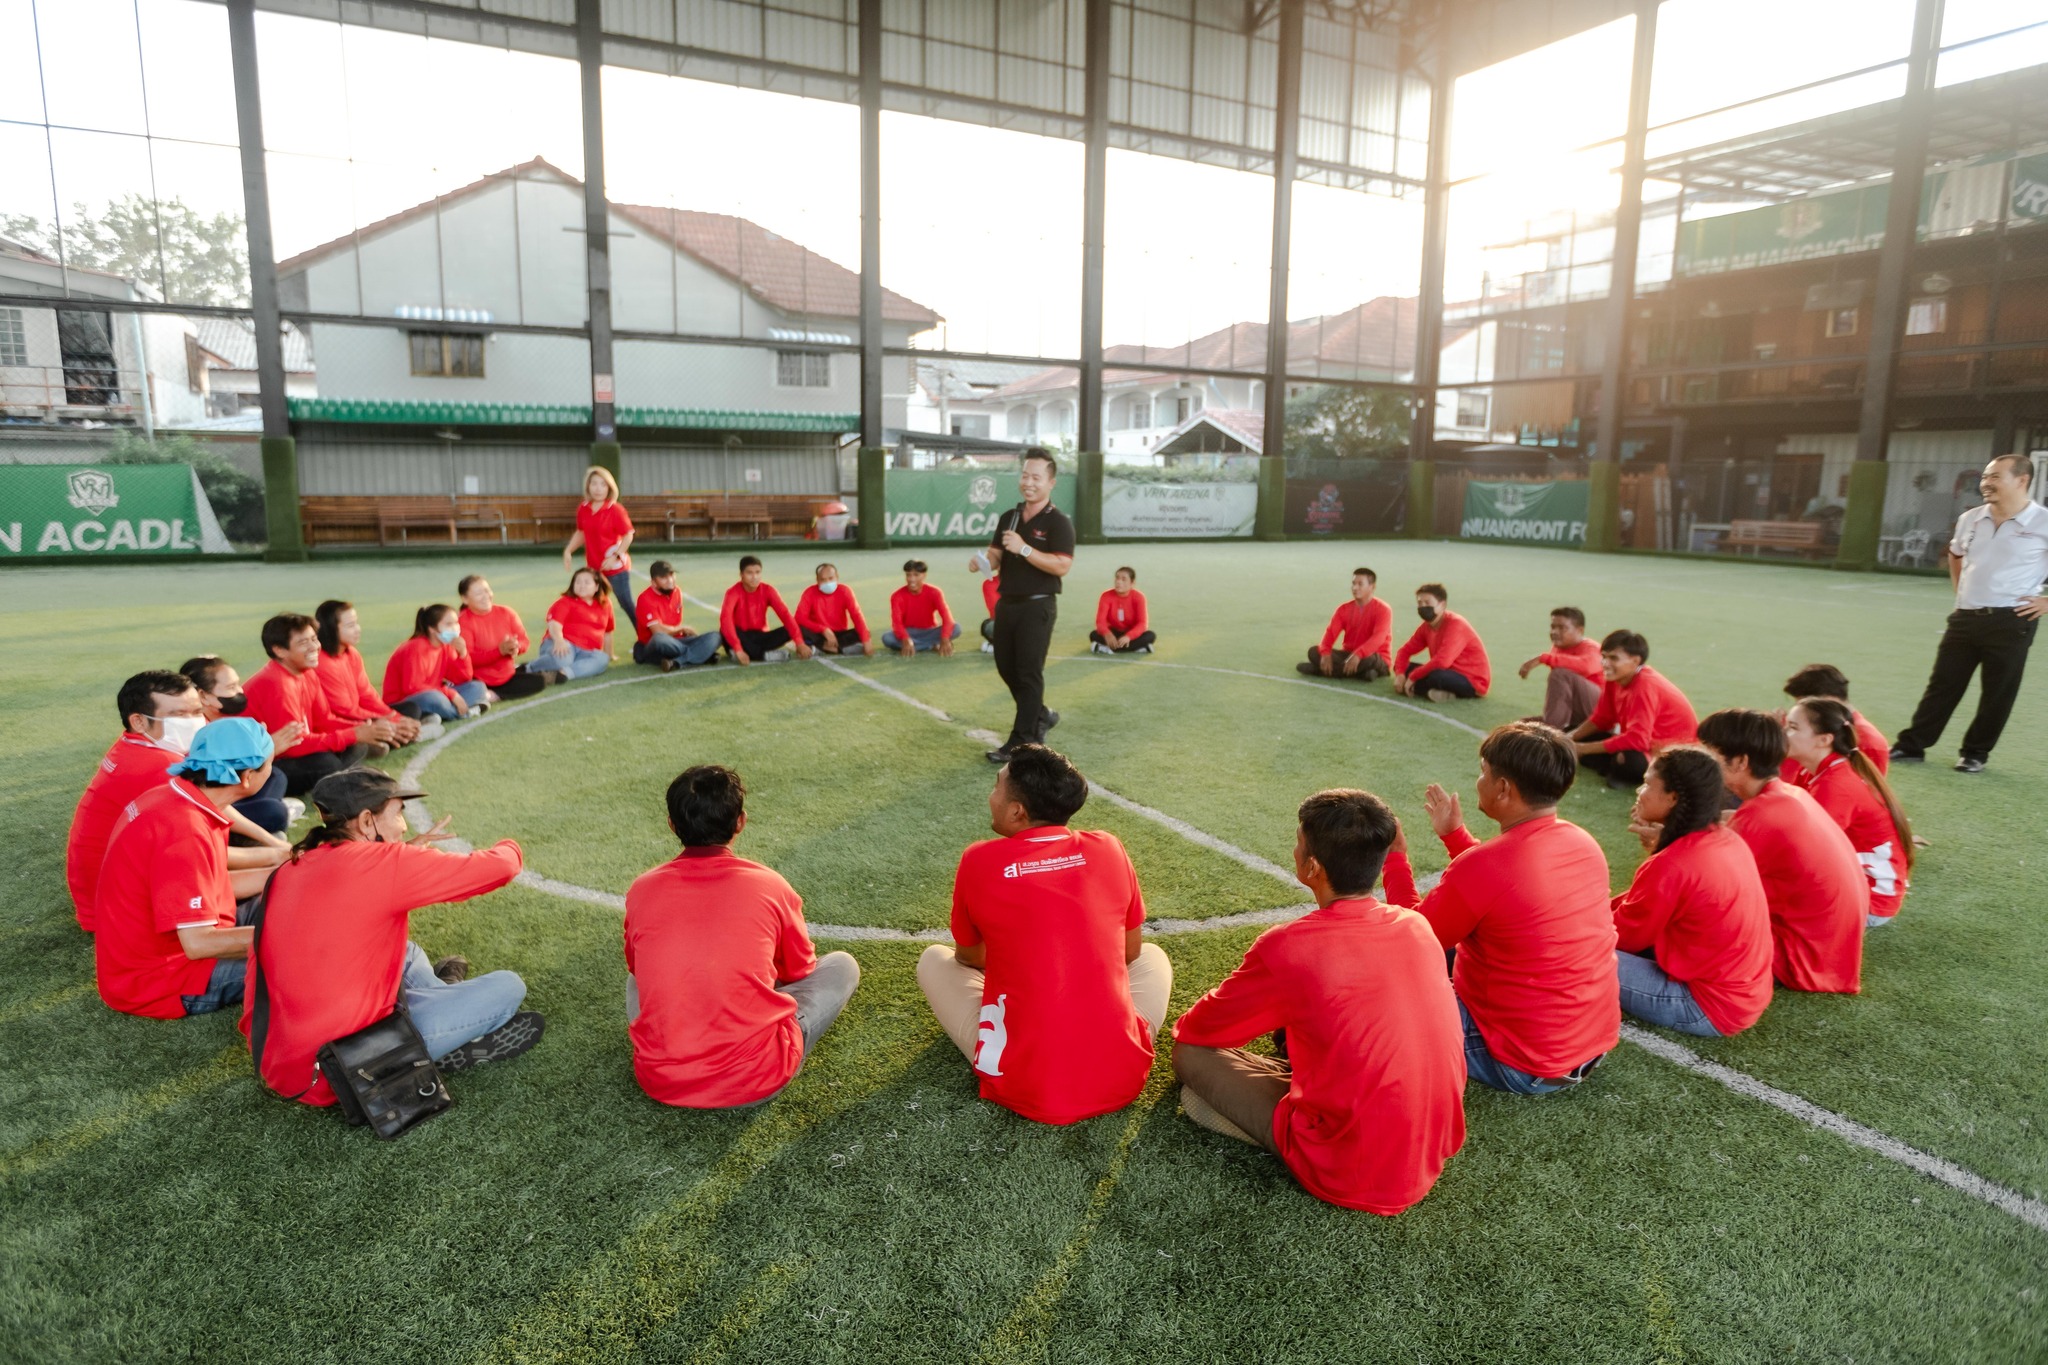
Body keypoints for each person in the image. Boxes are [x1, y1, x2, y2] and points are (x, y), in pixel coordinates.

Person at [1171, 788, 1466, 1215]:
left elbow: (1198, 1031)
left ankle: (1294, 1126)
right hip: (1431, 1148)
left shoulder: (1290, 946)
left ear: (1311, 866)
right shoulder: (1417, 926)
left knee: (1192, 1066)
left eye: (1298, 842)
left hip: (1349, 1171)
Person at [243, 767, 542, 1101]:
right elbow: (502, 867)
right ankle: (437, 1038)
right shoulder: (384, 863)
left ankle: (442, 999)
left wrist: (403, 855)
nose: (403, 825)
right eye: (398, 813)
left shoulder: (290, 868)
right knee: (508, 986)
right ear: (367, 822)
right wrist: (510, 844)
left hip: (279, 1063)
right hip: (346, 1067)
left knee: (408, 952)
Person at [917, 744, 1173, 1124]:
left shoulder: (979, 859)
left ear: (1017, 811)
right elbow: (1129, 953)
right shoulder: (1109, 847)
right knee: (1153, 956)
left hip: (1022, 1081)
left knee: (933, 960)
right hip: (1120, 1076)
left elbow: (969, 959)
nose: (991, 796)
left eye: (996, 786)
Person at [1390, 722, 1618, 1095]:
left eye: (1484, 772)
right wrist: (1455, 836)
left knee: (1372, 984)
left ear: (1503, 788)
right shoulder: (1582, 842)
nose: (1479, 780)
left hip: (1520, 1063)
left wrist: (1395, 859)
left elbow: (1410, 939)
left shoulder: (1486, 866)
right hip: (1587, 1046)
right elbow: (1506, 889)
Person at [624, 765, 861, 1108]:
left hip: (661, 1081)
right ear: (740, 822)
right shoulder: (770, 884)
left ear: (672, 824)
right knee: (842, 965)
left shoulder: (641, 889)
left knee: (635, 979)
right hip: (757, 1078)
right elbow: (799, 971)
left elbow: (636, 968)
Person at [67, 671, 288, 933]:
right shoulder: (163, 771)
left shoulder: (139, 748)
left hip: (122, 889)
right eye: (180, 715)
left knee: (270, 807)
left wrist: (275, 851)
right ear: (138, 721)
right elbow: (199, 938)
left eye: (196, 711)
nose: (194, 721)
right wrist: (276, 853)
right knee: (272, 822)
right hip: (127, 907)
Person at [93, 719, 279, 1018]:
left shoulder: (176, 796)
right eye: (270, 763)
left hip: (167, 952)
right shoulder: (184, 830)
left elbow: (213, 886)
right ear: (246, 777)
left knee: (289, 895)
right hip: (163, 978)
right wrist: (288, 936)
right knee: (302, 953)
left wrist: (285, 870)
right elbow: (198, 944)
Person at [1891, 453, 2047, 773]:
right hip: (1964, 617)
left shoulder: (2043, 522)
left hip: (2012, 620)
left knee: (1998, 692)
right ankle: (1912, 746)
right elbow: (1955, 554)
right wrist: (1961, 591)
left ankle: (1975, 753)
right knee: (1942, 685)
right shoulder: (1970, 518)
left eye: (1995, 477)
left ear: (2021, 480)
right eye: (1985, 477)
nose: (1985, 483)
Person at [1695, 709, 1865, 994]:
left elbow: (1696, 888)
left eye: (1706, 753)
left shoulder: (1761, 815)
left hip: (1800, 961)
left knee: (1683, 927)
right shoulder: (1784, 794)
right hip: (1828, 955)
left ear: (1740, 762)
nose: (1700, 762)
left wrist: (1663, 842)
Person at [1610, 746, 1773, 1037]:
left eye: (1648, 784)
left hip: (1705, 1006)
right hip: (1745, 994)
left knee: (1572, 953)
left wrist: (1572, 921)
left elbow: (1625, 935)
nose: (1639, 790)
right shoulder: (1727, 838)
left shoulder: (1674, 863)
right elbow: (1642, 904)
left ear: (1673, 798)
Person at [974, 449, 1075, 763]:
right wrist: (983, 561)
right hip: (1007, 604)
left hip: (1038, 606)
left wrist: (1026, 548)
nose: (1028, 482)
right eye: (1024, 475)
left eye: (1036, 477)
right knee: (1007, 667)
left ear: (1051, 482)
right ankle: (1041, 714)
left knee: (1029, 673)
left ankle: (1021, 742)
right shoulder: (1010, 516)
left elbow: (1061, 566)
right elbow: (997, 553)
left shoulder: (1059, 523)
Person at [1784, 698, 1913, 926]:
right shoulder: (1816, 770)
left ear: (1824, 740)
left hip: (1871, 901)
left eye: (1793, 728)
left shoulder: (1836, 786)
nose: (1783, 733)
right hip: (1855, 884)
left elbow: (1803, 853)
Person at [243, 614, 399, 796]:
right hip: (259, 765)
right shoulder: (277, 684)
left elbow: (324, 720)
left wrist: (364, 729)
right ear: (279, 650)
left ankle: (344, 777)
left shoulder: (306, 672)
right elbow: (293, 747)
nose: (314, 647)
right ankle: (347, 780)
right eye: (303, 643)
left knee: (356, 744)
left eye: (314, 639)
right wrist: (353, 734)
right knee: (327, 762)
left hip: (292, 752)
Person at [180, 654, 303, 835]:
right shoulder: (196, 733)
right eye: (231, 687)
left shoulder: (223, 723)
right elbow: (218, 787)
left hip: (230, 799)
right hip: (211, 807)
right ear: (203, 695)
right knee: (274, 812)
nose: (240, 691)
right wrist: (265, 752)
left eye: (238, 684)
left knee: (276, 775)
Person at [1568, 630, 1698, 790]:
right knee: (1576, 733)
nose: (1605, 663)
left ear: (1635, 661)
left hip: (1672, 756)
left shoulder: (1645, 685)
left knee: (1628, 760)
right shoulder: (1615, 678)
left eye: (1613, 658)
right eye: (1604, 656)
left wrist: (1581, 749)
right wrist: (1569, 737)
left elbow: (1638, 740)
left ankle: (1621, 769)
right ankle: (1614, 767)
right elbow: (1602, 718)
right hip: (1642, 744)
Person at [313, 600, 425, 739]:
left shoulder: (352, 653)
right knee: (380, 727)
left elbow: (367, 695)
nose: (358, 629)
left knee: (411, 709)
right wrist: (388, 721)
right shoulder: (323, 662)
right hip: (342, 720)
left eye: (356, 623)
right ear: (331, 629)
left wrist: (395, 717)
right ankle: (403, 733)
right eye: (351, 625)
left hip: (359, 713)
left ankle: (403, 731)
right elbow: (344, 709)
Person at [1778, 664, 1887, 780]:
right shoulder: (1802, 727)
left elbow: (1867, 793)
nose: (1799, 709)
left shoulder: (1868, 742)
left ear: (1829, 701)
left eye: (1805, 705)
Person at [564, 464, 635, 644]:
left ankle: (646, 640)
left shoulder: (615, 509)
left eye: (603, 484)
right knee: (594, 606)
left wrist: (615, 557)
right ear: (588, 486)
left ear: (610, 487)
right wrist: (568, 550)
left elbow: (628, 535)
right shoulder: (583, 508)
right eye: (594, 484)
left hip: (616, 568)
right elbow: (581, 532)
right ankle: (593, 643)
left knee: (626, 603)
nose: (598, 489)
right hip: (594, 569)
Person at [382, 604, 487, 721]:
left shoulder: (446, 646)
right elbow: (412, 687)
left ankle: (440, 713)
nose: (455, 628)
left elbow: (462, 679)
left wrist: (463, 654)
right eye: (448, 624)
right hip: (404, 701)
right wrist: (452, 694)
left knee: (477, 687)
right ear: (432, 629)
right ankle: (463, 712)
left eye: (456, 623)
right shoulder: (416, 648)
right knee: (434, 698)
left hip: (436, 693)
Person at [1391, 583, 1491, 701]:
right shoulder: (1427, 627)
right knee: (1404, 666)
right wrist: (1400, 674)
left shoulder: (1455, 624)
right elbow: (1404, 651)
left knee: (1435, 676)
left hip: (1472, 681)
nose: (1423, 607)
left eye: (1427, 603)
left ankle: (1418, 688)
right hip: (1446, 672)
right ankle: (1437, 692)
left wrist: (1413, 677)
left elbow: (1442, 661)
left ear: (1442, 605)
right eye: (1420, 603)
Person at [457, 574, 546, 701]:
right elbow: (468, 658)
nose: (486, 596)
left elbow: (524, 641)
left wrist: (516, 647)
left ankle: (492, 696)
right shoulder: (463, 622)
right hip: (477, 679)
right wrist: (499, 651)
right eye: (478, 593)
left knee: (539, 681)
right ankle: (486, 694)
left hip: (507, 676)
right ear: (465, 599)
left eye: (487, 590)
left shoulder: (506, 612)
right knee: (475, 688)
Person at [1518, 606, 1603, 731]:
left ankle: (1551, 732)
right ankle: (1553, 728)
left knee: (1560, 674)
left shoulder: (1592, 648)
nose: (1554, 632)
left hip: (1600, 710)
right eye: (1553, 627)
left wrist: (1543, 658)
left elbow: (1587, 667)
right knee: (1521, 724)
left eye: (1562, 628)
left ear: (1580, 630)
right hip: (1579, 713)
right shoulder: (1558, 648)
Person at [1299, 567, 1391, 680]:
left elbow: (1379, 638)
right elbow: (1330, 633)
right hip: (1348, 655)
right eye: (1353, 583)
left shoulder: (1383, 609)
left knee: (1370, 660)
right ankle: (1361, 674)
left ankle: (1318, 671)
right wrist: (1325, 653)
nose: (1355, 588)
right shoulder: (1343, 609)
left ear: (1372, 587)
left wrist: (1358, 654)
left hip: (1374, 656)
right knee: (1313, 651)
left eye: (1360, 584)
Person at [719, 556, 811, 665]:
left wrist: (799, 642)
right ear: (741, 575)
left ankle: (746, 653)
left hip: (761, 636)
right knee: (724, 629)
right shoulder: (732, 592)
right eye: (749, 573)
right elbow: (726, 619)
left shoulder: (768, 590)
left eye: (758, 572)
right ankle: (763, 655)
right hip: (741, 636)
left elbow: (785, 615)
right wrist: (738, 648)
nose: (754, 577)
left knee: (792, 628)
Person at [632, 561, 721, 670]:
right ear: (653, 582)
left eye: (671, 575)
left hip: (678, 641)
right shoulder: (645, 599)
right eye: (664, 577)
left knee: (716, 637)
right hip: (655, 644)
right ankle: (701, 654)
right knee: (659, 638)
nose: (670, 580)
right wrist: (681, 629)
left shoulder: (677, 591)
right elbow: (658, 631)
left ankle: (677, 662)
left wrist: (684, 633)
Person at [528, 568, 614, 681]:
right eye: (577, 582)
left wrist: (609, 655)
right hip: (563, 643)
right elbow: (554, 625)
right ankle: (528, 667)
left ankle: (562, 674)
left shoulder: (605, 604)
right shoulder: (565, 602)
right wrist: (559, 641)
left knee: (602, 660)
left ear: (597, 587)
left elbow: (608, 632)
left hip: (587, 651)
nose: (581, 585)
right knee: (564, 659)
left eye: (586, 582)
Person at [794, 562, 875, 657]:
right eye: (823, 580)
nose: (827, 582)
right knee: (798, 628)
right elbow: (799, 618)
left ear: (837, 577)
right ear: (817, 580)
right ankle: (838, 649)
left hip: (839, 634)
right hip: (818, 633)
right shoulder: (809, 592)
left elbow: (856, 615)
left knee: (863, 632)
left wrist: (866, 641)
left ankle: (822, 648)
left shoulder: (845, 591)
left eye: (831, 578)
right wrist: (824, 629)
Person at [883, 559, 961, 656]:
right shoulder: (897, 596)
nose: (911, 579)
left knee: (956, 628)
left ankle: (918, 646)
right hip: (909, 632)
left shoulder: (934, 592)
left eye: (916, 575)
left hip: (930, 631)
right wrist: (906, 639)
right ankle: (930, 645)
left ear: (924, 575)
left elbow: (947, 618)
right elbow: (897, 623)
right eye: (908, 575)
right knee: (887, 638)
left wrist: (945, 638)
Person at [1090, 566, 1155, 655]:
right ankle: (1138, 648)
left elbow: (1142, 623)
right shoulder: (1106, 596)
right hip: (1114, 633)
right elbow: (1100, 622)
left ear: (1132, 583)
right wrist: (1107, 634)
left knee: (1150, 635)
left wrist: (1129, 636)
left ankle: (1107, 648)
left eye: (1124, 579)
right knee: (1093, 634)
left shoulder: (1139, 597)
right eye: (1117, 578)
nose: (1118, 582)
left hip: (1131, 634)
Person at [978, 565, 1000, 652]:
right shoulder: (989, 583)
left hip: (1021, 621)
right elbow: (995, 609)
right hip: (1001, 621)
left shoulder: (1022, 583)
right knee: (990, 626)